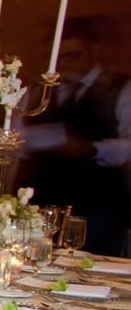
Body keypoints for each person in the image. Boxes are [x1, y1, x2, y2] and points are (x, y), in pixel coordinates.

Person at [19, 14, 131, 255]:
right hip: (42, 196)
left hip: (97, 200)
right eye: (60, 57)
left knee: (91, 263)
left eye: (74, 55)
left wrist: (90, 148)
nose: (66, 63)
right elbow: (15, 137)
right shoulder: (37, 91)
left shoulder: (120, 89)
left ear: (93, 50)